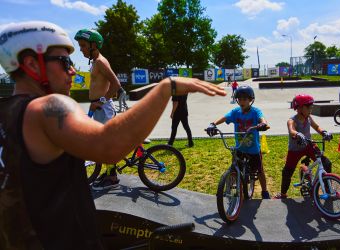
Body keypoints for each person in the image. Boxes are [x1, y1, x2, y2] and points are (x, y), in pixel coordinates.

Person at [0, 21, 226, 249]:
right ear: (31, 64)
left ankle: (113, 173)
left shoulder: (7, 111)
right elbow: (107, 146)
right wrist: (166, 88)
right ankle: (112, 172)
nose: (72, 69)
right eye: (64, 61)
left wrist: (103, 100)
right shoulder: (48, 108)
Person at [74, 28, 122, 190]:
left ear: (94, 44)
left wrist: (100, 101)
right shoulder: (95, 62)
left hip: (104, 107)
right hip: (99, 107)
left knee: (107, 143)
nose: (81, 49)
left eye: (83, 46)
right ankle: (109, 173)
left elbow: (116, 85)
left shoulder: (101, 62)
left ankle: (113, 177)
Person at [206, 85, 271, 199]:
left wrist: (262, 124)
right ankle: (227, 188)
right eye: (239, 99)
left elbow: (262, 118)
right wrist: (213, 124)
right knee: (234, 167)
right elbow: (225, 117)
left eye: (245, 99)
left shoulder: (255, 112)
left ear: (251, 100)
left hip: (253, 149)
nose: (242, 101)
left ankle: (265, 192)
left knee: (259, 170)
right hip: (240, 147)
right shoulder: (235, 112)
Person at [274, 94, 332, 199]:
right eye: (309, 107)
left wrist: (324, 132)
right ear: (299, 108)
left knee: (326, 163)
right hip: (295, 149)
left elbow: (316, 126)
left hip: (308, 145)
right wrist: (297, 134)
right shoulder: (292, 120)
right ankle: (283, 194)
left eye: (311, 107)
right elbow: (292, 129)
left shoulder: (308, 117)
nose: (311, 109)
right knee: (287, 171)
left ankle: (329, 190)